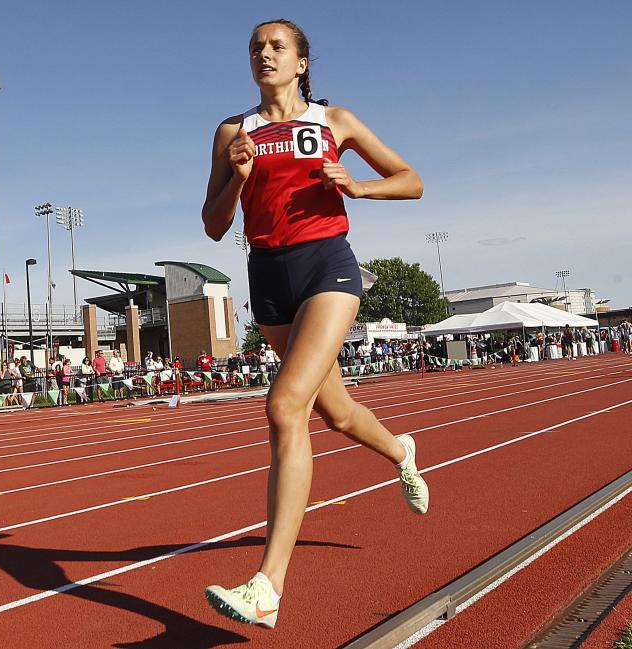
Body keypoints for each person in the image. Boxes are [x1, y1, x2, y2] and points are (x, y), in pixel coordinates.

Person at [200, 19, 427, 628]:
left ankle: (268, 586)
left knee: (284, 406)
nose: (263, 54)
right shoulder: (232, 132)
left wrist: (359, 186)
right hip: (268, 280)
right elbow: (213, 224)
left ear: (301, 62)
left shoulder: (335, 122)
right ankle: (402, 450)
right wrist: (239, 177)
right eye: (255, 47)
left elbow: (413, 180)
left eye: (276, 47)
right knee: (336, 411)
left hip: (327, 265)